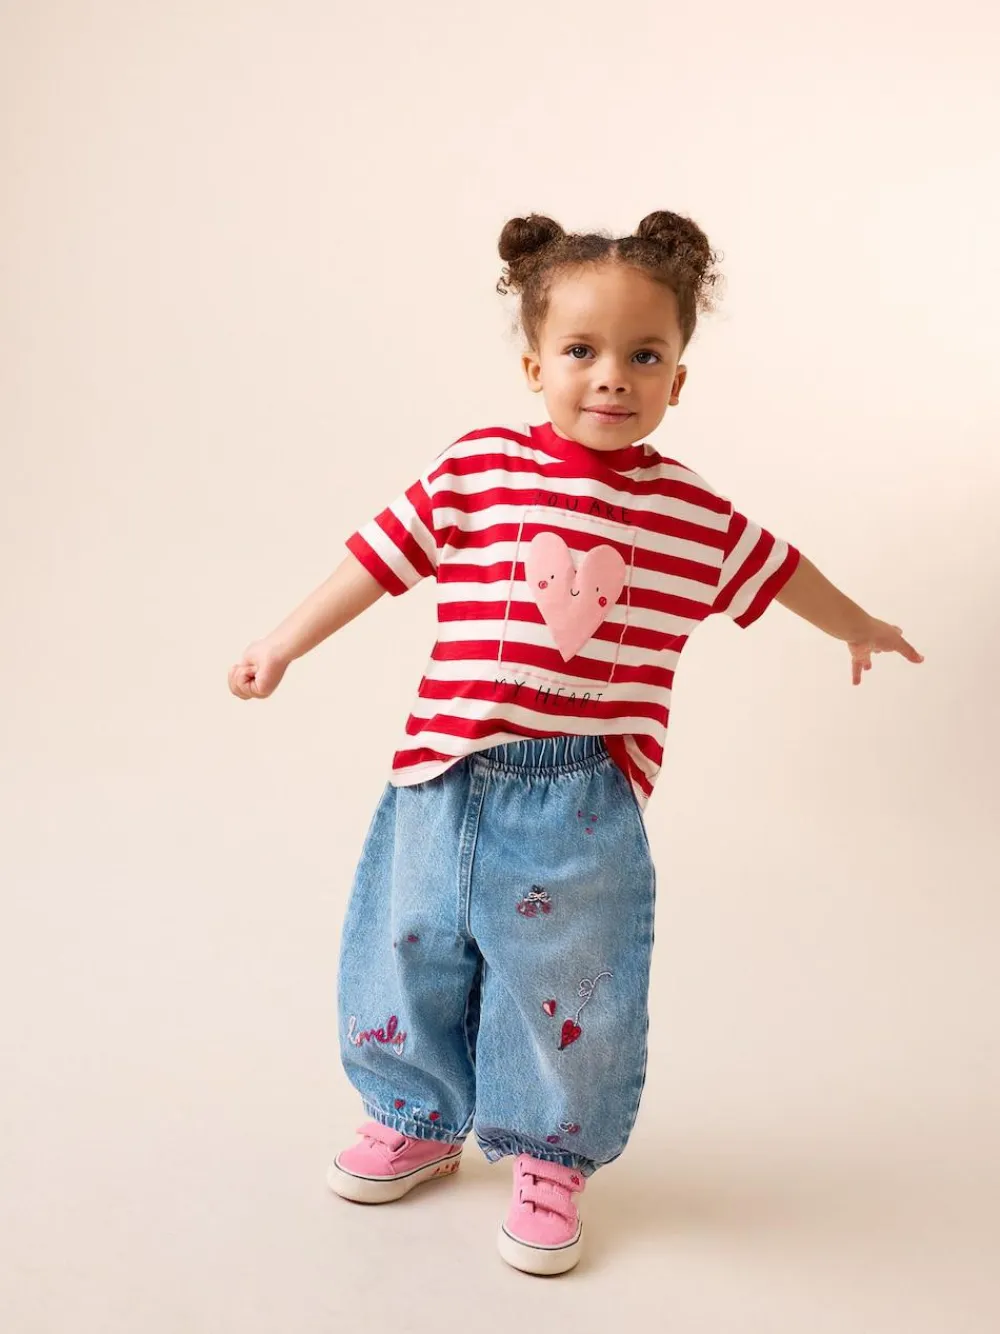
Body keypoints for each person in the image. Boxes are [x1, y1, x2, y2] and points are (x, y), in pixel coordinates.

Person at [228, 211, 924, 1276]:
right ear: (534, 365)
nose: (611, 377)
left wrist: (858, 624)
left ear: (678, 379)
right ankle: (415, 1115)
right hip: (442, 767)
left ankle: (550, 1154)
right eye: (582, 350)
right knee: (407, 945)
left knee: (566, 984)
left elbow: (782, 570)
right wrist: (281, 642)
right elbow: (377, 557)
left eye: (644, 355)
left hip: (580, 792)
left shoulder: (688, 512)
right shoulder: (477, 469)